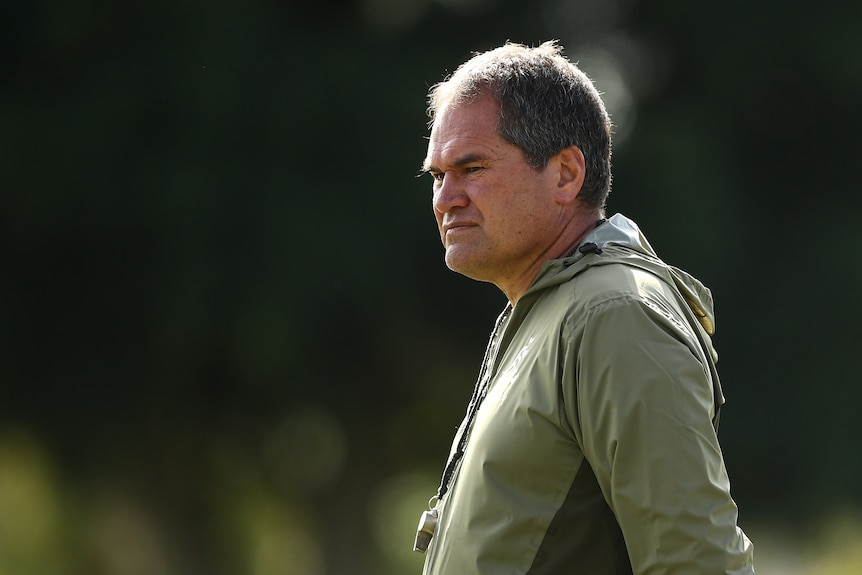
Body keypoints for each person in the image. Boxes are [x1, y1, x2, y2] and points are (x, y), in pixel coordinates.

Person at [413, 41, 755, 574]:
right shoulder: (550, 310)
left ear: (567, 175)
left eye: (472, 167)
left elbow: (697, 563)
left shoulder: (614, 314)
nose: (445, 198)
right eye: (438, 176)